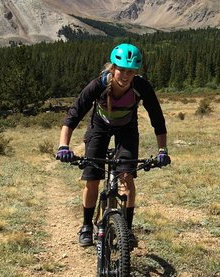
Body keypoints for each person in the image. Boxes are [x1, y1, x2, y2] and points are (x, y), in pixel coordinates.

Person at [56, 43, 169, 247]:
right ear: (113, 68)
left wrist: (163, 150)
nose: (125, 75)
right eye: (121, 70)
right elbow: (73, 114)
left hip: (127, 128)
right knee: (92, 178)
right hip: (99, 126)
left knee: (126, 176)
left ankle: (126, 228)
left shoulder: (141, 86)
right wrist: (63, 146)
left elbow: (157, 119)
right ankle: (87, 226)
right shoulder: (99, 85)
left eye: (131, 71)